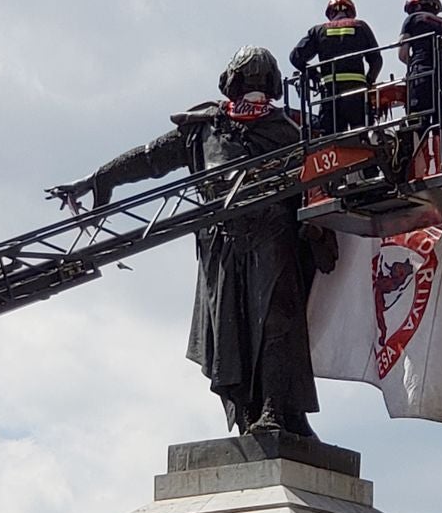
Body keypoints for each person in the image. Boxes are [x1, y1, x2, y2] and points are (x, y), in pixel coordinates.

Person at [50, 47, 330, 439]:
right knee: (229, 333)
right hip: (222, 245)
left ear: (271, 85)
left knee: (275, 324)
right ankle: (251, 414)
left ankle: (277, 411)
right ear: (231, 83)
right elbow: (148, 159)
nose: (252, 87)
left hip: (274, 237)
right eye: (246, 80)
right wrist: (99, 179)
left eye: (259, 80)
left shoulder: (292, 128)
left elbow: (325, 178)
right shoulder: (204, 128)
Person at [289, 0, 383, 135]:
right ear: (351, 12)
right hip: (356, 94)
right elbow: (376, 60)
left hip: (330, 94)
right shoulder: (361, 27)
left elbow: (295, 57)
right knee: (363, 138)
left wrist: (314, 74)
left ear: (330, 13)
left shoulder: (318, 31)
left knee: (331, 139)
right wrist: (369, 81)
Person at [397, 0, 442, 126]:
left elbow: (402, 54)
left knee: (418, 123)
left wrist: (415, 65)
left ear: (417, 5)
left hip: (421, 77)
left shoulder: (412, 19)